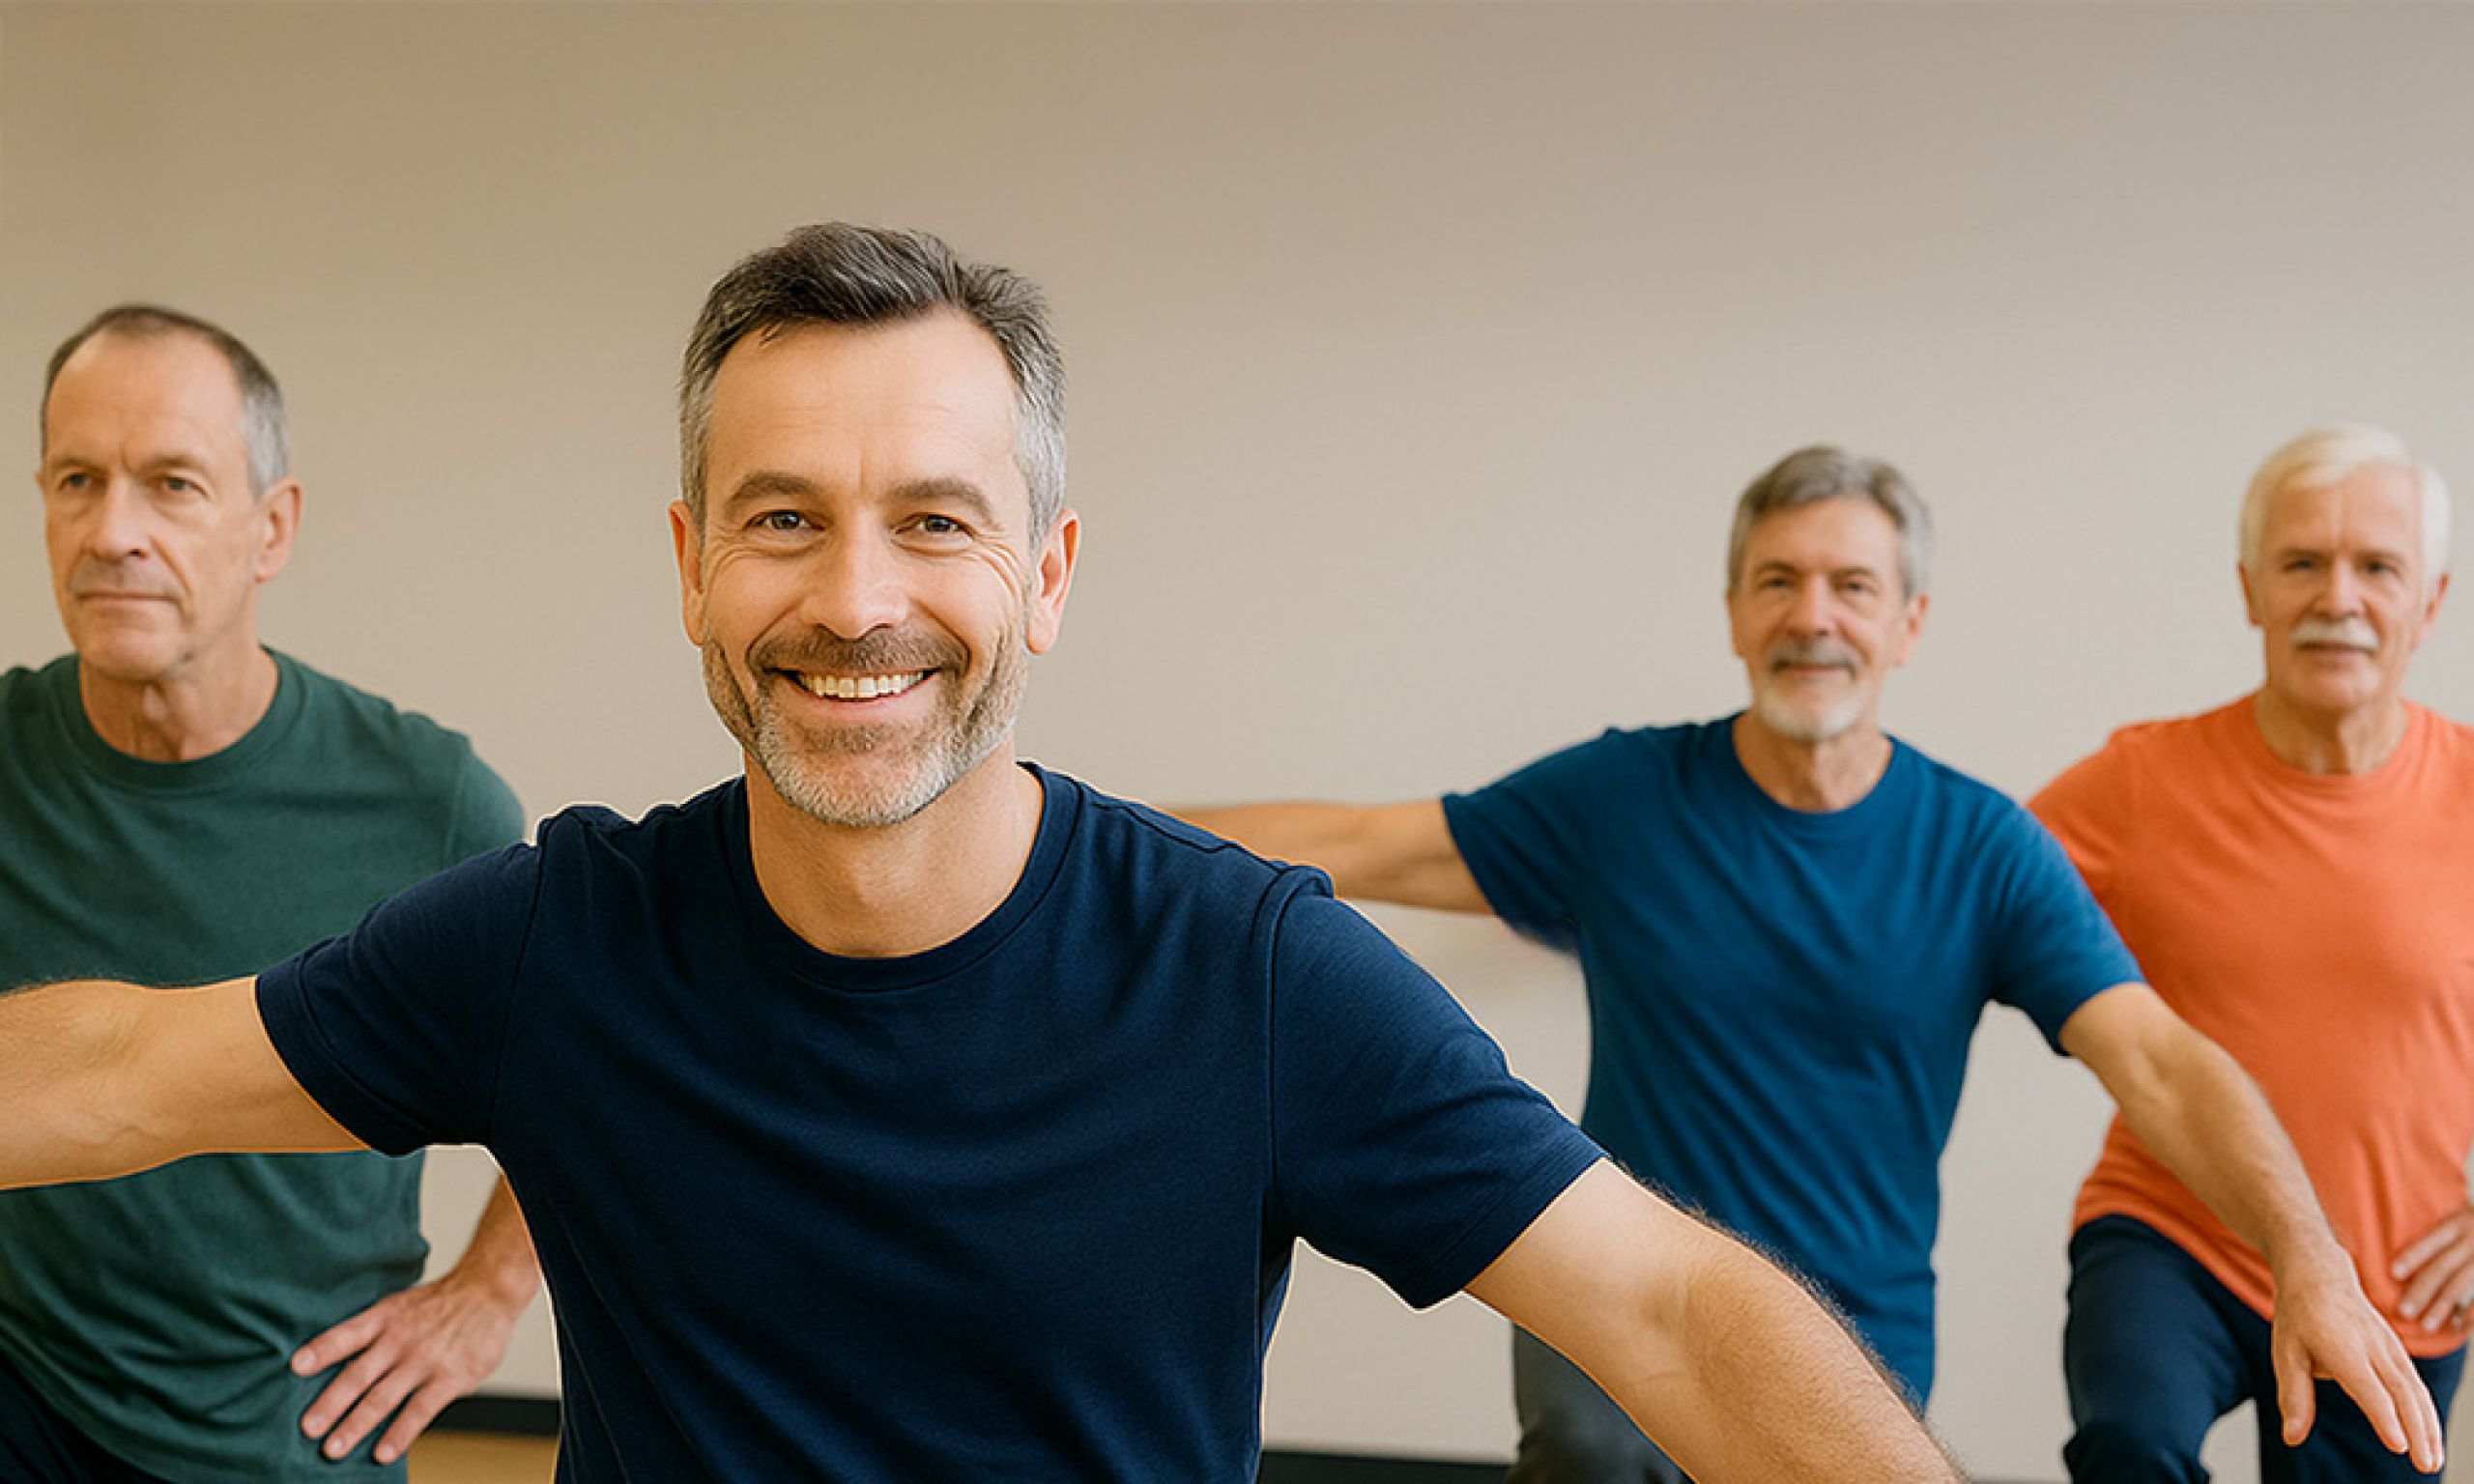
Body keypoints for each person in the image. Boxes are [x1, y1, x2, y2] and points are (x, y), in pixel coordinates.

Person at [2, 226, 1965, 1483]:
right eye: (782, 519)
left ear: (1048, 570)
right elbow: (119, 1072)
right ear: (691, 568)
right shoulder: (559, 942)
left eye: (935, 521)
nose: (856, 599)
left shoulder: (1247, 975)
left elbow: (1673, 1310)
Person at [1181, 444, 2445, 1482]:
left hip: (1851, 1335)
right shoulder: (1621, 798)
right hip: (1618, 1296)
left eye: (1851, 584)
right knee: (1588, 1452)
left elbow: (2158, 1060)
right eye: (1779, 581)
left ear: (1908, 623)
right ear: (1735, 611)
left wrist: (2306, 1256)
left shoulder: (1980, 849)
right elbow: (1363, 844)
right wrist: (1089, 836)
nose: (1813, 616)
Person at [1, 304, 540, 1482]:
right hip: (29, 1390)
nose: (114, 532)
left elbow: (593, 1070)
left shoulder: (431, 804)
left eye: (173, 485)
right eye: (79, 481)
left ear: (271, 526)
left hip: (293, 1430)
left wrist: (490, 1291)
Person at [2033, 424, 2467, 1481]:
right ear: (2250, 590)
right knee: (2132, 1440)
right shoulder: (2142, 783)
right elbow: (1961, 893)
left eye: (2377, 568)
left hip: (2395, 1278)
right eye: (2302, 563)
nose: (2337, 598)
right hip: (2172, 1232)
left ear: (2430, 601)